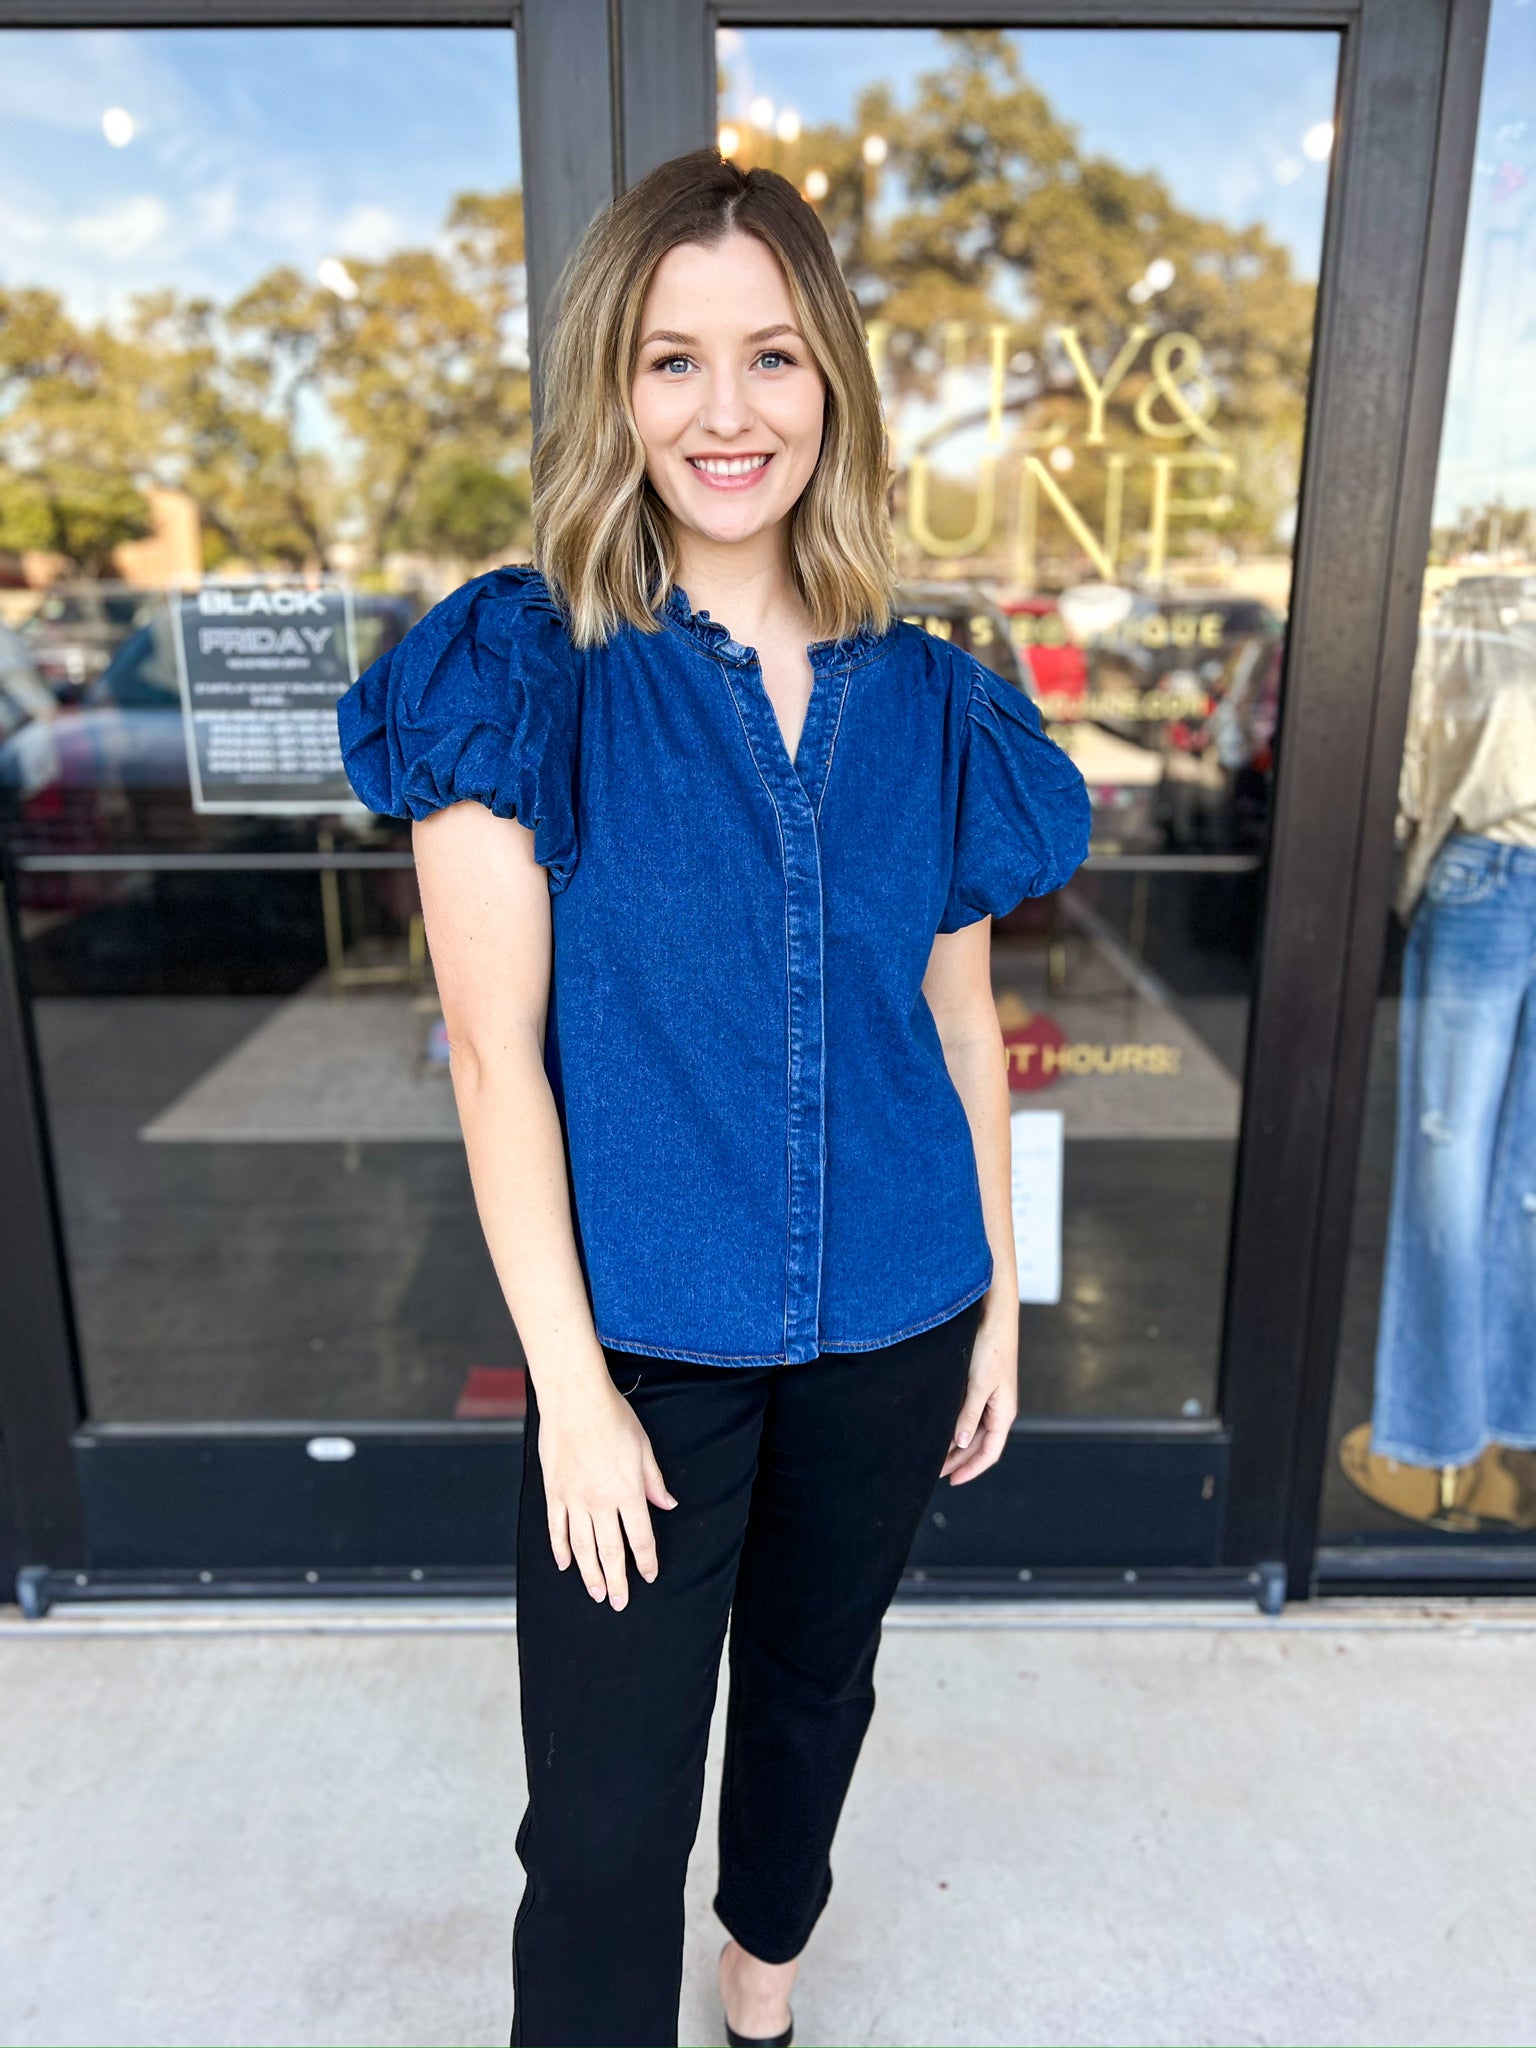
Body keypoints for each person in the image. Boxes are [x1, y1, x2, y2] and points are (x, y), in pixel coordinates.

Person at [337, 148, 1091, 2048]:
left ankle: (761, 1996)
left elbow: (955, 1011)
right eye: (674, 362)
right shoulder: (526, 669)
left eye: (770, 356)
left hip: (896, 1313)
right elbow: (495, 1062)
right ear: (616, 385)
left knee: (814, 1702)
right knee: (597, 1834)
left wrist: (995, 1289)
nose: (726, 410)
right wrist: (571, 1400)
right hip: (643, 1355)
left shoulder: (930, 697)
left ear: (830, 379)